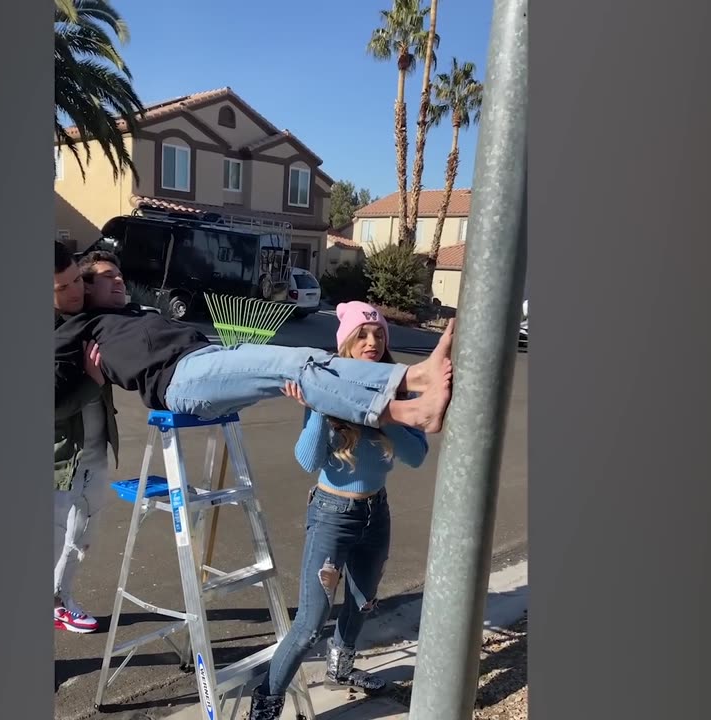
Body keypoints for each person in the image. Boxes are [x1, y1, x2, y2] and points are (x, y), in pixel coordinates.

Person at [244, 302, 427, 719]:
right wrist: (322, 411)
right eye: (362, 334)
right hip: (332, 514)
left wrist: (385, 413)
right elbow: (308, 460)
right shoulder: (325, 386)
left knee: (362, 602)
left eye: (379, 335)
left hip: (375, 513)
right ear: (344, 341)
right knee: (310, 623)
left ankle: (340, 670)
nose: (372, 342)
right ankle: (267, 701)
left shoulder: (397, 390)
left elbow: (417, 456)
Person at [55, 253, 456, 434]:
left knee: (308, 357)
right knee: (293, 366)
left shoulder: (133, 312)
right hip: (179, 380)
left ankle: (409, 389)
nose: (119, 280)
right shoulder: (79, 326)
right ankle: (412, 394)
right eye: (107, 276)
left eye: (119, 273)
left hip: (206, 358)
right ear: (85, 288)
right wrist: (92, 379)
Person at [52, 241, 120, 633]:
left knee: (84, 534)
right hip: (58, 459)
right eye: (62, 288)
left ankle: (62, 597)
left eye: (78, 279)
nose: (76, 291)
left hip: (94, 450)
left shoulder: (91, 316)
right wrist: (92, 382)